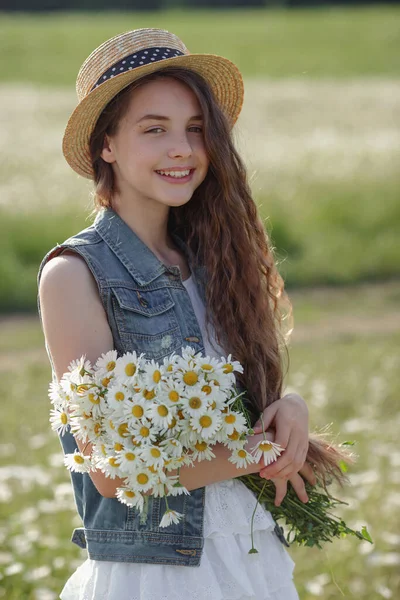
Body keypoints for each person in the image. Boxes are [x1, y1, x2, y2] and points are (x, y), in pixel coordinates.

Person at [37, 28, 315, 600]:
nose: (183, 149)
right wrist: (260, 450)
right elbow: (112, 472)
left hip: (248, 553)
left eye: (195, 129)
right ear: (105, 145)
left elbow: (241, 408)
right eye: (154, 129)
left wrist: (289, 410)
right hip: (155, 573)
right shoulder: (73, 275)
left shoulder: (215, 262)